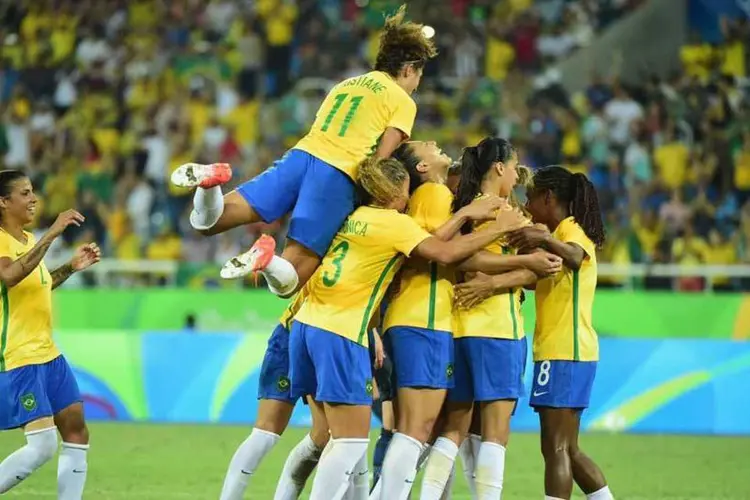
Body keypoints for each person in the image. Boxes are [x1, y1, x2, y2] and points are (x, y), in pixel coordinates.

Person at [287, 156, 526, 500]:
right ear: (400, 189)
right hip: (400, 325)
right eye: (427, 148)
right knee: (409, 431)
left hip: (313, 324)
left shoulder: (354, 217)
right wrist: (492, 226)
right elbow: (440, 253)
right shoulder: (420, 202)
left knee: (349, 436)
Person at [171, 4, 437, 298]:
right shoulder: (401, 99)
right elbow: (381, 161)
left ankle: (210, 181)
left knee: (207, 222)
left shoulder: (345, 85)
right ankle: (267, 258)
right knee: (290, 281)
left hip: (299, 157)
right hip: (337, 176)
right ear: (409, 69)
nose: (416, 85)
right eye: (418, 77)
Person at [373, 140, 562, 500]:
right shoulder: (492, 209)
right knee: (492, 432)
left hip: (455, 327)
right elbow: (458, 257)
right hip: (496, 329)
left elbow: (464, 257)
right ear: (501, 168)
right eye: (515, 164)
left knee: (450, 428)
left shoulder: (462, 203)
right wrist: (521, 265)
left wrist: (503, 275)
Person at [502, 166, 614, 500]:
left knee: (557, 449)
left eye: (530, 197)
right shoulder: (563, 232)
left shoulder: (570, 229)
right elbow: (541, 279)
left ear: (548, 198)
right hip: (568, 351)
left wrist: (544, 238)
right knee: (567, 449)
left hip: (565, 351)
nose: (526, 204)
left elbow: (577, 257)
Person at [0, 170, 101, 499]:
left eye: (33, 192)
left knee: (76, 431)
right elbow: (11, 276)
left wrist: (71, 267)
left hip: (48, 354)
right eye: (25, 193)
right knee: (42, 446)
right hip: (19, 357)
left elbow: (39, 286)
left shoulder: (27, 241)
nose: (33, 199)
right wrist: (54, 232)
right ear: (4, 202)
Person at [219, 287, 330, 500]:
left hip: (326, 340)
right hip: (293, 335)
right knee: (266, 432)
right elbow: (288, 280)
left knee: (325, 436)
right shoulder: (323, 255)